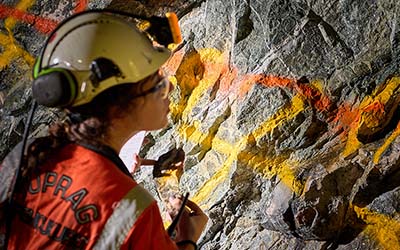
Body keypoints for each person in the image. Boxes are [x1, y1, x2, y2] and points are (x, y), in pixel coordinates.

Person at [0, 10, 208, 250]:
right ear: (121, 102)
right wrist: (187, 241)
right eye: (156, 82)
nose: (169, 88)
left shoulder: (25, 157)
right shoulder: (131, 210)